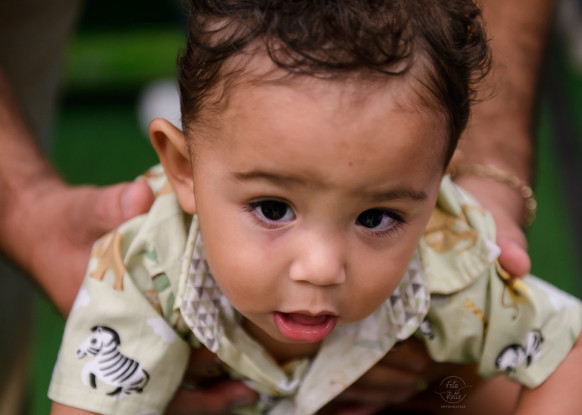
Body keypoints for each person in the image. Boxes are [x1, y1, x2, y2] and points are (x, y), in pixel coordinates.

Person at [0, 0, 557, 414]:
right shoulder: (143, 272)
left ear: (438, 188)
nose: (321, 267)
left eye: (376, 218)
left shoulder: (449, 252)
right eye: (272, 208)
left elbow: (565, 355)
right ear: (184, 170)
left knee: (478, 392)